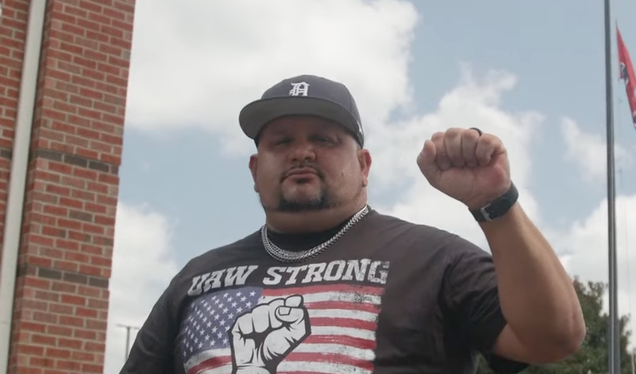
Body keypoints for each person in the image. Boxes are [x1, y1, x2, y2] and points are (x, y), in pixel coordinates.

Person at [119, 75, 584, 374]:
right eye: (281, 142)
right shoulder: (197, 279)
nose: (302, 152)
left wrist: (495, 202)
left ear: (363, 165)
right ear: (254, 170)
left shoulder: (434, 259)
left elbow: (555, 338)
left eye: (324, 139)